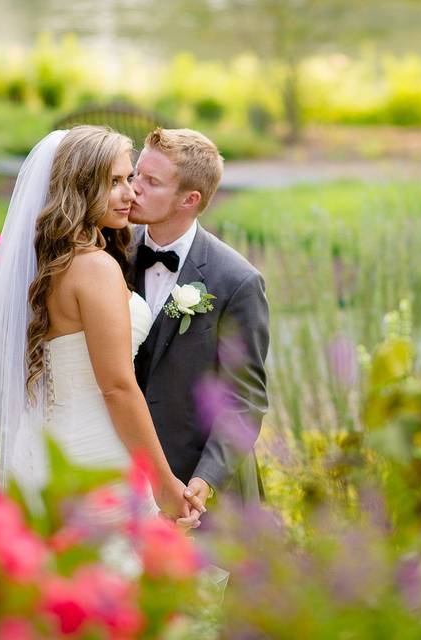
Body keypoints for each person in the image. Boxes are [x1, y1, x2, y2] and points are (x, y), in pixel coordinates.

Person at [0, 126, 199, 533]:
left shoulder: (47, 264)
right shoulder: (95, 267)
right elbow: (117, 387)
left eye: (130, 179)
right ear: (81, 185)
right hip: (94, 454)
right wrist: (163, 482)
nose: (130, 193)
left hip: (43, 445)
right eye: (114, 182)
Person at [129, 128, 270, 519]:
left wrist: (204, 482)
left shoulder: (237, 282)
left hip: (203, 490)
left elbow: (244, 400)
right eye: (136, 174)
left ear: (189, 200)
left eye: (151, 181)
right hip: (120, 475)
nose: (133, 188)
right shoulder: (110, 253)